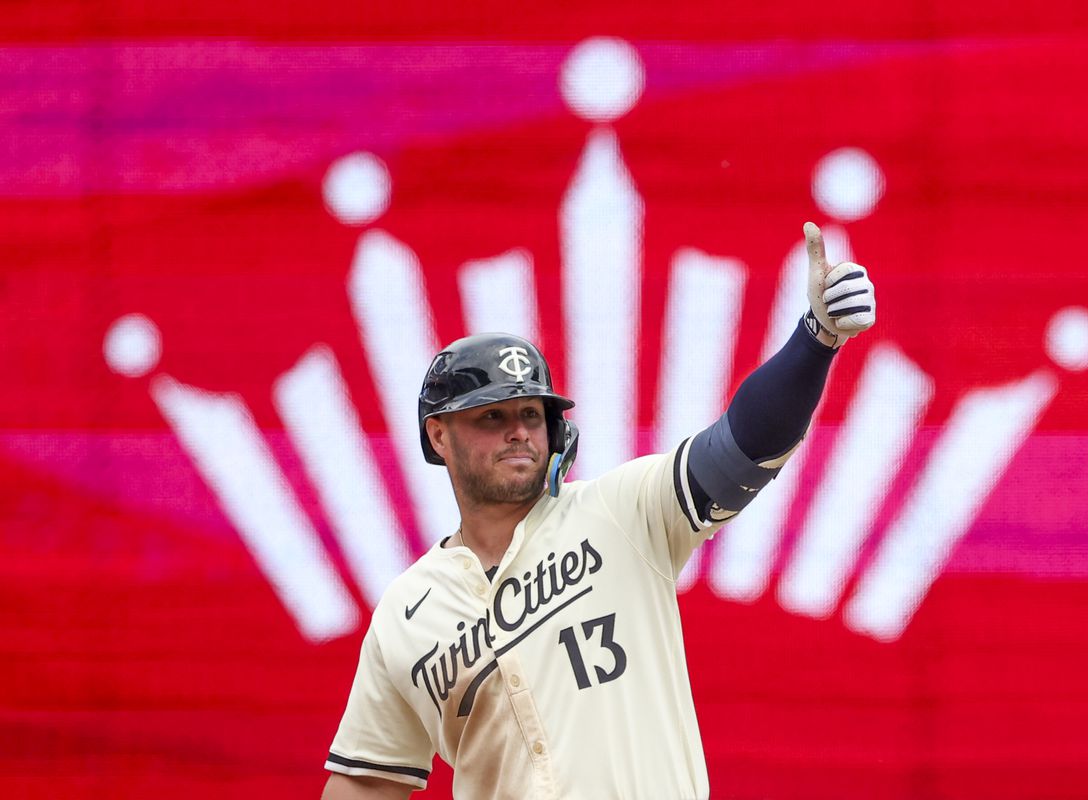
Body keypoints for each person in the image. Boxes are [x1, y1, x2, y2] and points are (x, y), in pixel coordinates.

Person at [321, 222, 876, 799]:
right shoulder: (407, 612)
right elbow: (365, 782)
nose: (518, 432)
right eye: (491, 416)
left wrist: (814, 341)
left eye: (532, 414)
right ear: (438, 436)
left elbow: (743, 445)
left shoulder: (622, 512)